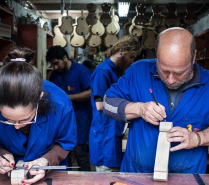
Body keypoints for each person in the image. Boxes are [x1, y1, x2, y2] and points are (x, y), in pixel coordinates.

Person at [103, 27, 209, 173]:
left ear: (194, 57)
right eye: (164, 71)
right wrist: (139, 109)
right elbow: (107, 104)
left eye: (179, 73)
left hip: (187, 179)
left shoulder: (207, 84)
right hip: (135, 177)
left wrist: (199, 138)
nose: (170, 80)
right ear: (156, 55)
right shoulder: (138, 71)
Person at [0, 58, 77, 184]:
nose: (16, 127)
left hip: (51, 173)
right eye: (8, 120)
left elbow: (66, 142)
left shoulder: (61, 105)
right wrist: (1, 155)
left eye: (24, 119)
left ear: (39, 98)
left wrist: (46, 160)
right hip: (6, 176)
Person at [89, 35, 141, 172]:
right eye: (131, 57)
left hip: (112, 132)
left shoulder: (115, 71)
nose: (132, 61)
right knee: (107, 176)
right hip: (105, 134)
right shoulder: (103, 71)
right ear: (122, 50)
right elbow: (99, 105)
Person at [46, 46, 92, 171]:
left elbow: (90, 93)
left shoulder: (81, 71)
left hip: (80, 119)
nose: (55, 67)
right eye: (53, 64)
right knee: (64, 151)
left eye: (57, 63)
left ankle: (86, 181)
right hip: (61, 120)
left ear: (65, 58)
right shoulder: (54, 75)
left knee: (80, 151)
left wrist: (67, 98)